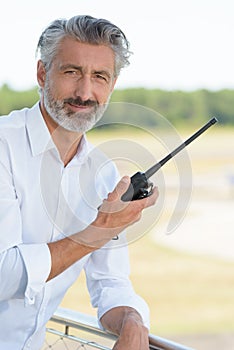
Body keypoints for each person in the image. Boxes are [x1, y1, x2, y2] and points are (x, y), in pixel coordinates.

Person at [0, 15, 159, 350]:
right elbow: (5, 274)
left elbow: (110, 282)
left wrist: (132, 321)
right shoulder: (3, 147)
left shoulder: (103, 174)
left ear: (112, 84)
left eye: (99, 76)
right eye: (71, 72)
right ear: (42, 73)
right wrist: (100, 228)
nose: (85, 92)